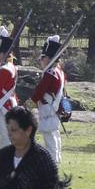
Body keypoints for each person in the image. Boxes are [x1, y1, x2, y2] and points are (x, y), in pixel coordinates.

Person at [31, 34, 68, 165]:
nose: (41, 60)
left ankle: (53, 163)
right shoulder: (59, 71)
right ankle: (56, 159)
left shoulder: (50, 73)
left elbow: (40, 91)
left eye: (43, 57)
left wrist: (29, 104)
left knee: (49, 136)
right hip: (55, 107)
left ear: (49, 58)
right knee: (54, 134)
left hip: (48, 107)